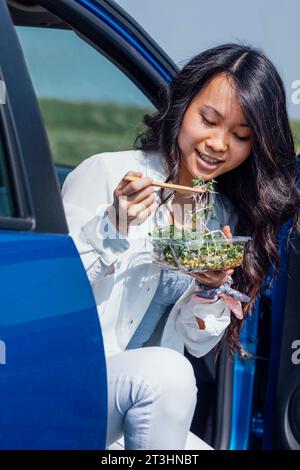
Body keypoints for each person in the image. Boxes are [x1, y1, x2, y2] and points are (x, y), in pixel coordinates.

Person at [61, 43, 300, 450]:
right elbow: (54, 298)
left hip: (145, 410)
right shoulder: (108, 174)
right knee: (167, 371)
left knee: (169, 374)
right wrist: (112, 228)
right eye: (208, 120)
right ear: (183, 105)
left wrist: (210, 289)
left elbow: (198, 342)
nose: (219, 144)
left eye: (241, 136)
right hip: (74, 389)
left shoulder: (219, 214)